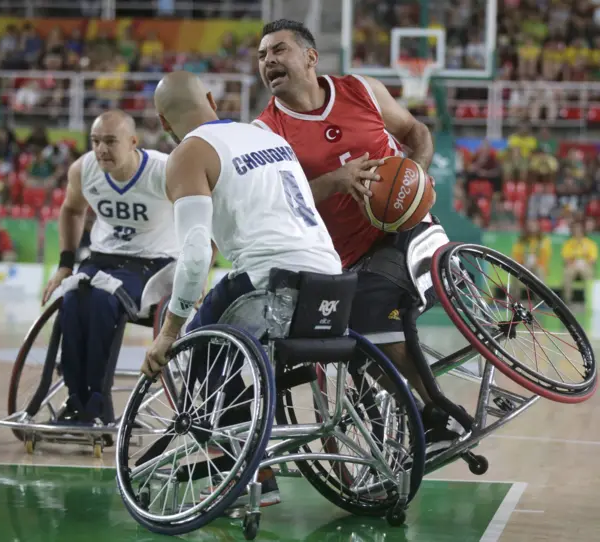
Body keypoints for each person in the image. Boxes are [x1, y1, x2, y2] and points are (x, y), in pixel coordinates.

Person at [253, 19, 462, 452]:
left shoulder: (361, 90)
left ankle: (436, 413)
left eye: (278, 50)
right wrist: (336, 179)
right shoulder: (266, 132)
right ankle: (423, 417)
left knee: (370, 313)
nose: (268, 61)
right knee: (350, 333)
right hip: (350, 258)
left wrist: (416, 176)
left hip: (410, 229)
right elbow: (279, 203)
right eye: (261, 56)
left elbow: (416, 133)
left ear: (310, 57)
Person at [141, 71, 342, 508]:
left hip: (274, 282)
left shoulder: (188, 154)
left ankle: (234, 459)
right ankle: (246, 450)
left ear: (162, 121)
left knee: (197, 340)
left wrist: (167, 333)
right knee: (220, 310)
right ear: (212, 99)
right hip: (332, 280)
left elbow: (196, 257)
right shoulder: (264, 134)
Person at [42, 110, 179, 428]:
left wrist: (197, 272)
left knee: (105, 301)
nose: (101, 149)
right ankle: (76, 402)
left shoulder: (163, 170)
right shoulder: (84, 168)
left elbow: (203, 215)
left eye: (110, 141)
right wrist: (65, 264)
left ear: (133, 142)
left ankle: (97, 404)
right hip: (103, 256)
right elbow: (72, 210)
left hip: (155, 260)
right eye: (95, 141)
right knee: (73, 297)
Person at [561, 220, 598, 305]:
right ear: (572, 231)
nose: (577, 231)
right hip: (572, 265)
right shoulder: (568, 243)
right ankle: (567, 301)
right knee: (567, 273)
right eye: (575, 229)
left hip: (585, 265)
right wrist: (573, 263)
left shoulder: (590, 243)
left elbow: (593, 259)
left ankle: (589, 300)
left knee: (589, 274)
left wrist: (585, 263)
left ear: (583, 230)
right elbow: (566, 258)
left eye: (579, 229)